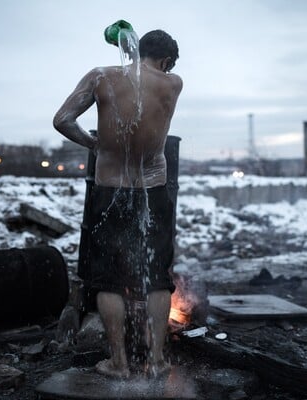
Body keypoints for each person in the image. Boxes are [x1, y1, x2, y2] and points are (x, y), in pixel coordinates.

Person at [53, 29, 182, 378]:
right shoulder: (173, 83)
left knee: (109, 280)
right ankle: (156, 361)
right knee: (158, 277)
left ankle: (119, 363)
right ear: (167, 61)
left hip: (110, 188)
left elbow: (62, 120)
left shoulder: (101, 76)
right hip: (153, 189)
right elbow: (146, 82)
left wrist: (94, 145)